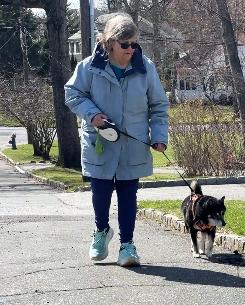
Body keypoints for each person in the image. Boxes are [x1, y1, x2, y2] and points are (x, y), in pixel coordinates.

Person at [64, 14, 169, 267]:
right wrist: (92, 115)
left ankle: (127, 246)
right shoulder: (89, 67)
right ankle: (101, 231)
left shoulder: (146, 68)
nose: (131, 50)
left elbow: (158, 105)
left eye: (135, 44)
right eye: (125, 45)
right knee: (100, 192)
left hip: (133, 144)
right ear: (110, 43)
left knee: (128, 194)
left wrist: (159, 136)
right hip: (99, 141)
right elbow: (73, 93)